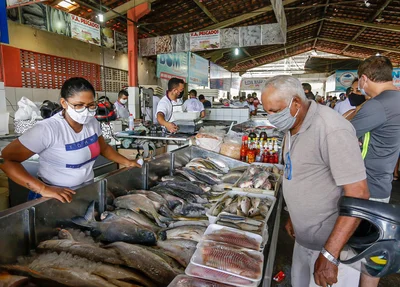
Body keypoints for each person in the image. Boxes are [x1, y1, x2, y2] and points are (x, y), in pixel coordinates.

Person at [261, 75, 369, 287]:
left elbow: (358, 194)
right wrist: (293, 213)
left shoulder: (331, 129)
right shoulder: (293, 126)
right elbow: (298, 172)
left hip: (333, 250)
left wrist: (330, 255)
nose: (270, 117)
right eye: (267, 111)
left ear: (296, 103)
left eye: (275, 111)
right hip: (304, 238)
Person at [0, 77, 141, 203]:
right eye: (78, 105)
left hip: (84, 191)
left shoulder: (92, 122)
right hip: (53, 197)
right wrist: (43, 189)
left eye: (91, 105)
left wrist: (127, 162)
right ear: (64, 103)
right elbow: (6, 160)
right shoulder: (48, 129)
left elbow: (103, 148)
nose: (85, 111)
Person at [350, 56, 400, 287]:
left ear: (364, 79)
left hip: (365, 188)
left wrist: (360, 106)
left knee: (358, 252)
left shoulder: (377, 105)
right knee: (373, 252)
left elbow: (341, 132)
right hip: (383, 184)